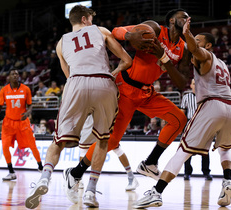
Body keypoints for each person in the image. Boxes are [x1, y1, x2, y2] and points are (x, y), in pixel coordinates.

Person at [66, 8, 190, 188]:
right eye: (183, 16)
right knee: (112, 141)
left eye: (188, 17)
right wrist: (130, 36)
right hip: (125, 88)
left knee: (179, 119)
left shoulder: (183, 48)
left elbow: (181, 83)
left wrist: (163, 58)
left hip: (147, 93)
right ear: (171, 20)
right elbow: (116, 32)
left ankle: (150, 163)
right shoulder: (154, 29)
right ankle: (75, 172)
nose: (188, 19)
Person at [25, 5, 132, 209]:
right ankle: (90, 191)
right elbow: (127, 60)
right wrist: (113, 72)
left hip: (76, 83)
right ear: (84, 19)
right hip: (103, 83)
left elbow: (68, 75)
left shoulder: (60, 43)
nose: (91, 21)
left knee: (58, 140)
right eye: (90, 18)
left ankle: (44, 179)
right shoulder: (100, 30)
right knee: (102, 139)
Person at [133, 17, 231, 209]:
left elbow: (196, 50)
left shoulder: (205, 55)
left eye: (197, 40)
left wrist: (187, 34)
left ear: (208, 45)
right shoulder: (223, 64)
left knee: (182, 151)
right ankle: (228, 182)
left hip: (212, 106)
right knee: (225, 149)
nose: (191, 43)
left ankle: (156, 192)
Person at [0, 69, 43, 181]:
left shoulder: (26, 89)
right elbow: (0, 105)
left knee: (32, 145)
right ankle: (11, 172)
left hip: (22, 122)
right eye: (12, 74)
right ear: (9, 77)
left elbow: (30, 105)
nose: (15, 76)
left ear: (19, 77)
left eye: (17, 74)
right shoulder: (4, 90)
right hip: (8, 122)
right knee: (5, 146)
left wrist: (28, 113)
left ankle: (40, 166)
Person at [181, 79, 213, 180]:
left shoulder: (206, 98)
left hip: (203, 123)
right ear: (191, 85)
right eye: (194, 84)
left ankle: (206, 172)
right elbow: (182, 113)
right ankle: (187, 172)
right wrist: (182, 128)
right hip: (190, 123)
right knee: (187, 149)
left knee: (205, 150)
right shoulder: (186, 97)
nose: (196, 86)